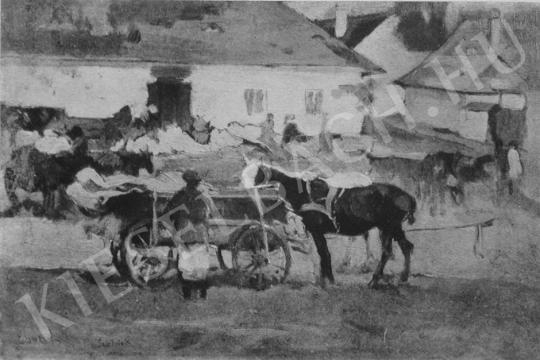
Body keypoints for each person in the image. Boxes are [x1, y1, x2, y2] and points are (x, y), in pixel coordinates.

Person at [165, 169, 210, 299]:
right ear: (196, 183)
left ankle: (188, 295)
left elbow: (166, 215)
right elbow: (206, 219)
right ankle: (201, 294)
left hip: (184, 236)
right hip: (199, 236)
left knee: (186, 267)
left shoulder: (179, 196)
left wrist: (174, 232)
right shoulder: (202, 197)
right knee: (200, 266)